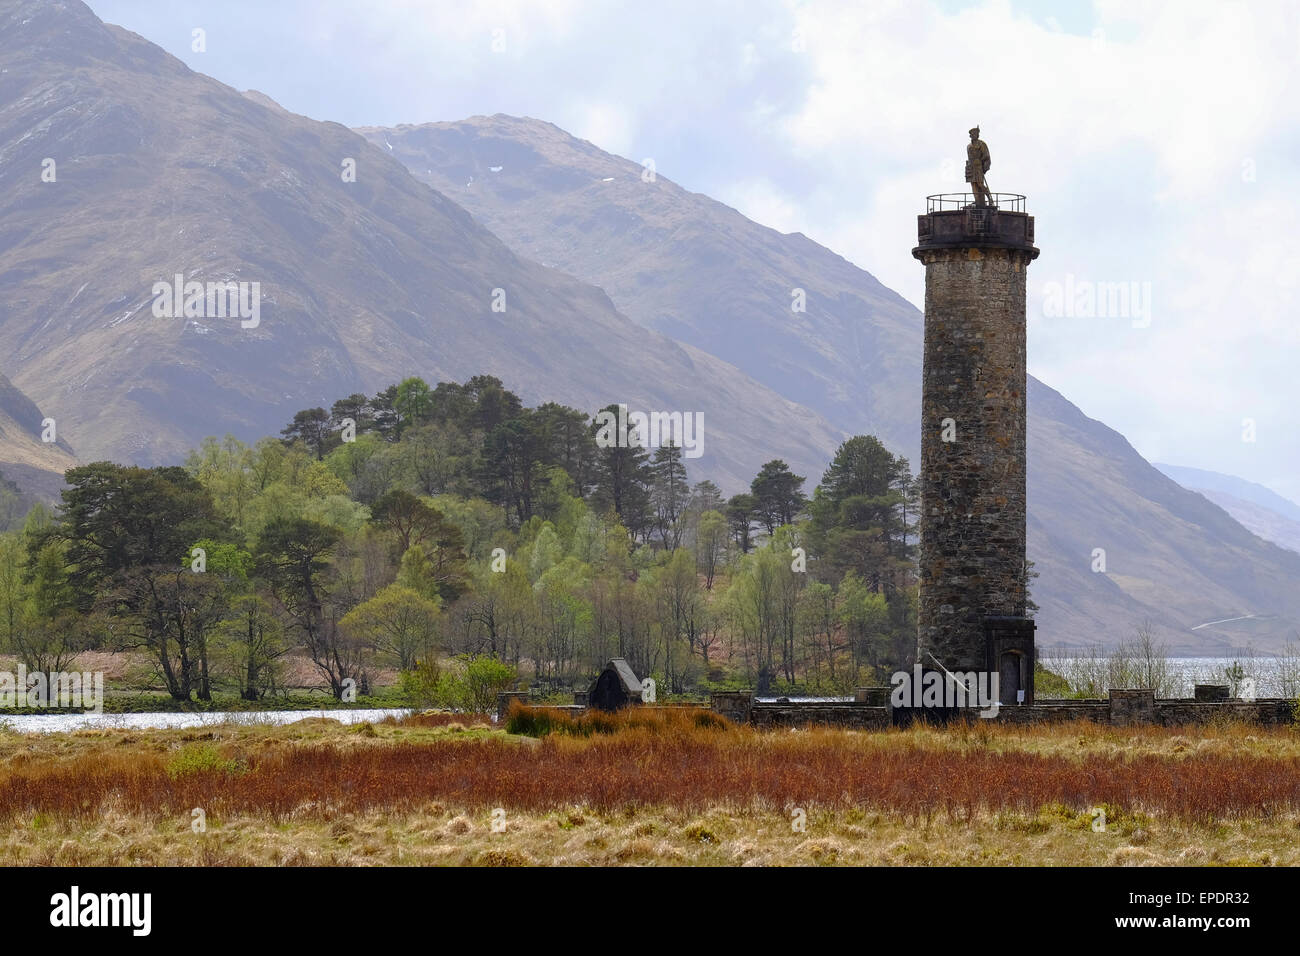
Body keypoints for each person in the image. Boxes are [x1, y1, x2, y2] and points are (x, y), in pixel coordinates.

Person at [965, 127, 992, 207]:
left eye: (975, 134)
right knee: (973, 184)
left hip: (978, 166)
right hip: (970, 167)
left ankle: (989, 198)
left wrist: (983, 164)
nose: (974, 135)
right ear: (970, 135)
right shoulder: (969, 146)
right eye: (972, 134)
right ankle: (977, 201)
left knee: (980, 184)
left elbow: (986, 155)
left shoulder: (981, 144)